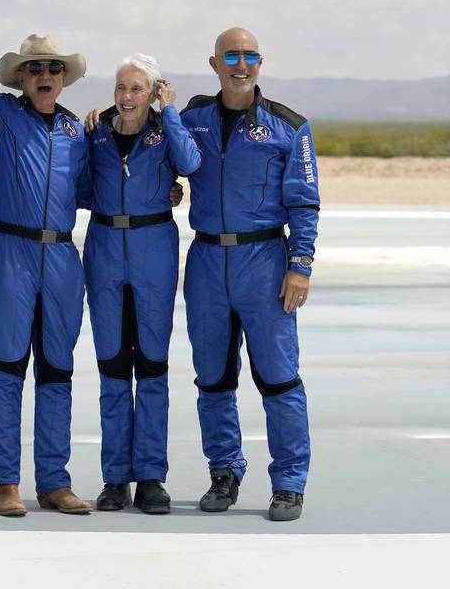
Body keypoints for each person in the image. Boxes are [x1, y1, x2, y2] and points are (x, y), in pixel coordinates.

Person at [0, 0, 94, 517]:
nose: (44, 75)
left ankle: (54, 481)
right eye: (34, 68)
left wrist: (166, 187)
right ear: (20, 77)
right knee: (7, 365)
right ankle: (5, 481)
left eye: (53, 69)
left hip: (62, 257)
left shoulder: (79, 131)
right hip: (11, 253)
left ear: (63, 78)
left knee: (57, 369)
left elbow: (101, 186)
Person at [180, 27, 319, 522]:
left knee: (279, 378)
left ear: (260, 63)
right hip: (205, 262)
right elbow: (156, 148)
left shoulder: (288, 127)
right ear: (214, 63)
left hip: (264, 263)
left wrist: (299, 266)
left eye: (250, 56)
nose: (242, 65)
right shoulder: (191, 118)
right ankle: (224, 472)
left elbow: (304, 203)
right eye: (231, 56)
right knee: (213, 378)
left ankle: (288, 483)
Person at [81, 54, 201, 514]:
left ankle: (151, 476)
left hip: (154, 251)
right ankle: (115, 478)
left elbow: (190, 163)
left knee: (151, 365)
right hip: (104, 249)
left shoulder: (165, 131)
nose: (126, 97)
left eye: (136, 89)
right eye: (120, 88)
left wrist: (170, 113)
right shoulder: (98, 132)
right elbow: (79, 188)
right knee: (112, 365)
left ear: (152, 92)